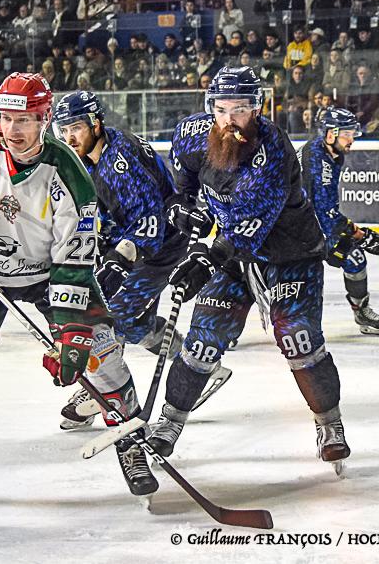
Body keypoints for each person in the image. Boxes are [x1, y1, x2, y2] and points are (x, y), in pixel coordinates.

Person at [0, 73, 158, 500]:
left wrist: (73, 332)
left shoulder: (69, 174)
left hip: (47, 276)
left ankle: (129, 442)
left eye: (24, 120)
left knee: (100, 351)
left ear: (44, 119)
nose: (11, 130)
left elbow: (73, 260)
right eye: (4, 118)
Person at [150, 66, 350, 469]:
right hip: (234, 258)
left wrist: (206, 260)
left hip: (290, 254)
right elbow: (183, 183)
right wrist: (182, 209)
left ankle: (330, 423)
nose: (229, 119)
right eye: (221, 109)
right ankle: (169, 422)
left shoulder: (273, 149)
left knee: (298, 338)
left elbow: (249, 225)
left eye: (239, 109)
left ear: (257, 109)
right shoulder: (191, 134)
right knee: (202, 341)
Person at [51, 90, 192, 429]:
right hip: (136, 243)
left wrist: (119, 261)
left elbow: (149, 221)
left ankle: (104, 391)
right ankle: (193, 361)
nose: (70, 137)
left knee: (109, 315)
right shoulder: (90, 156)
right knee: (133, 323)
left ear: (96, 124)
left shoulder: (119, 160)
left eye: (76, 128)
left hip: (161, 246)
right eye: (64, 130)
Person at [298, 107, 379, 334]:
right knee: (274, 275)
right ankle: (226, 322)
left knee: (353, 257)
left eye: (352, 133)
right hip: (291, 231)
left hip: (307, 224)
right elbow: (324, 214)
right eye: (347, 134)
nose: (352, 139)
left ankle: (362, 312)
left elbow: (324, 211)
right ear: (331, 134)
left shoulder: (329, 152)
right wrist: (360, 235)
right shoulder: (318, 162)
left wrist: (354, 234)